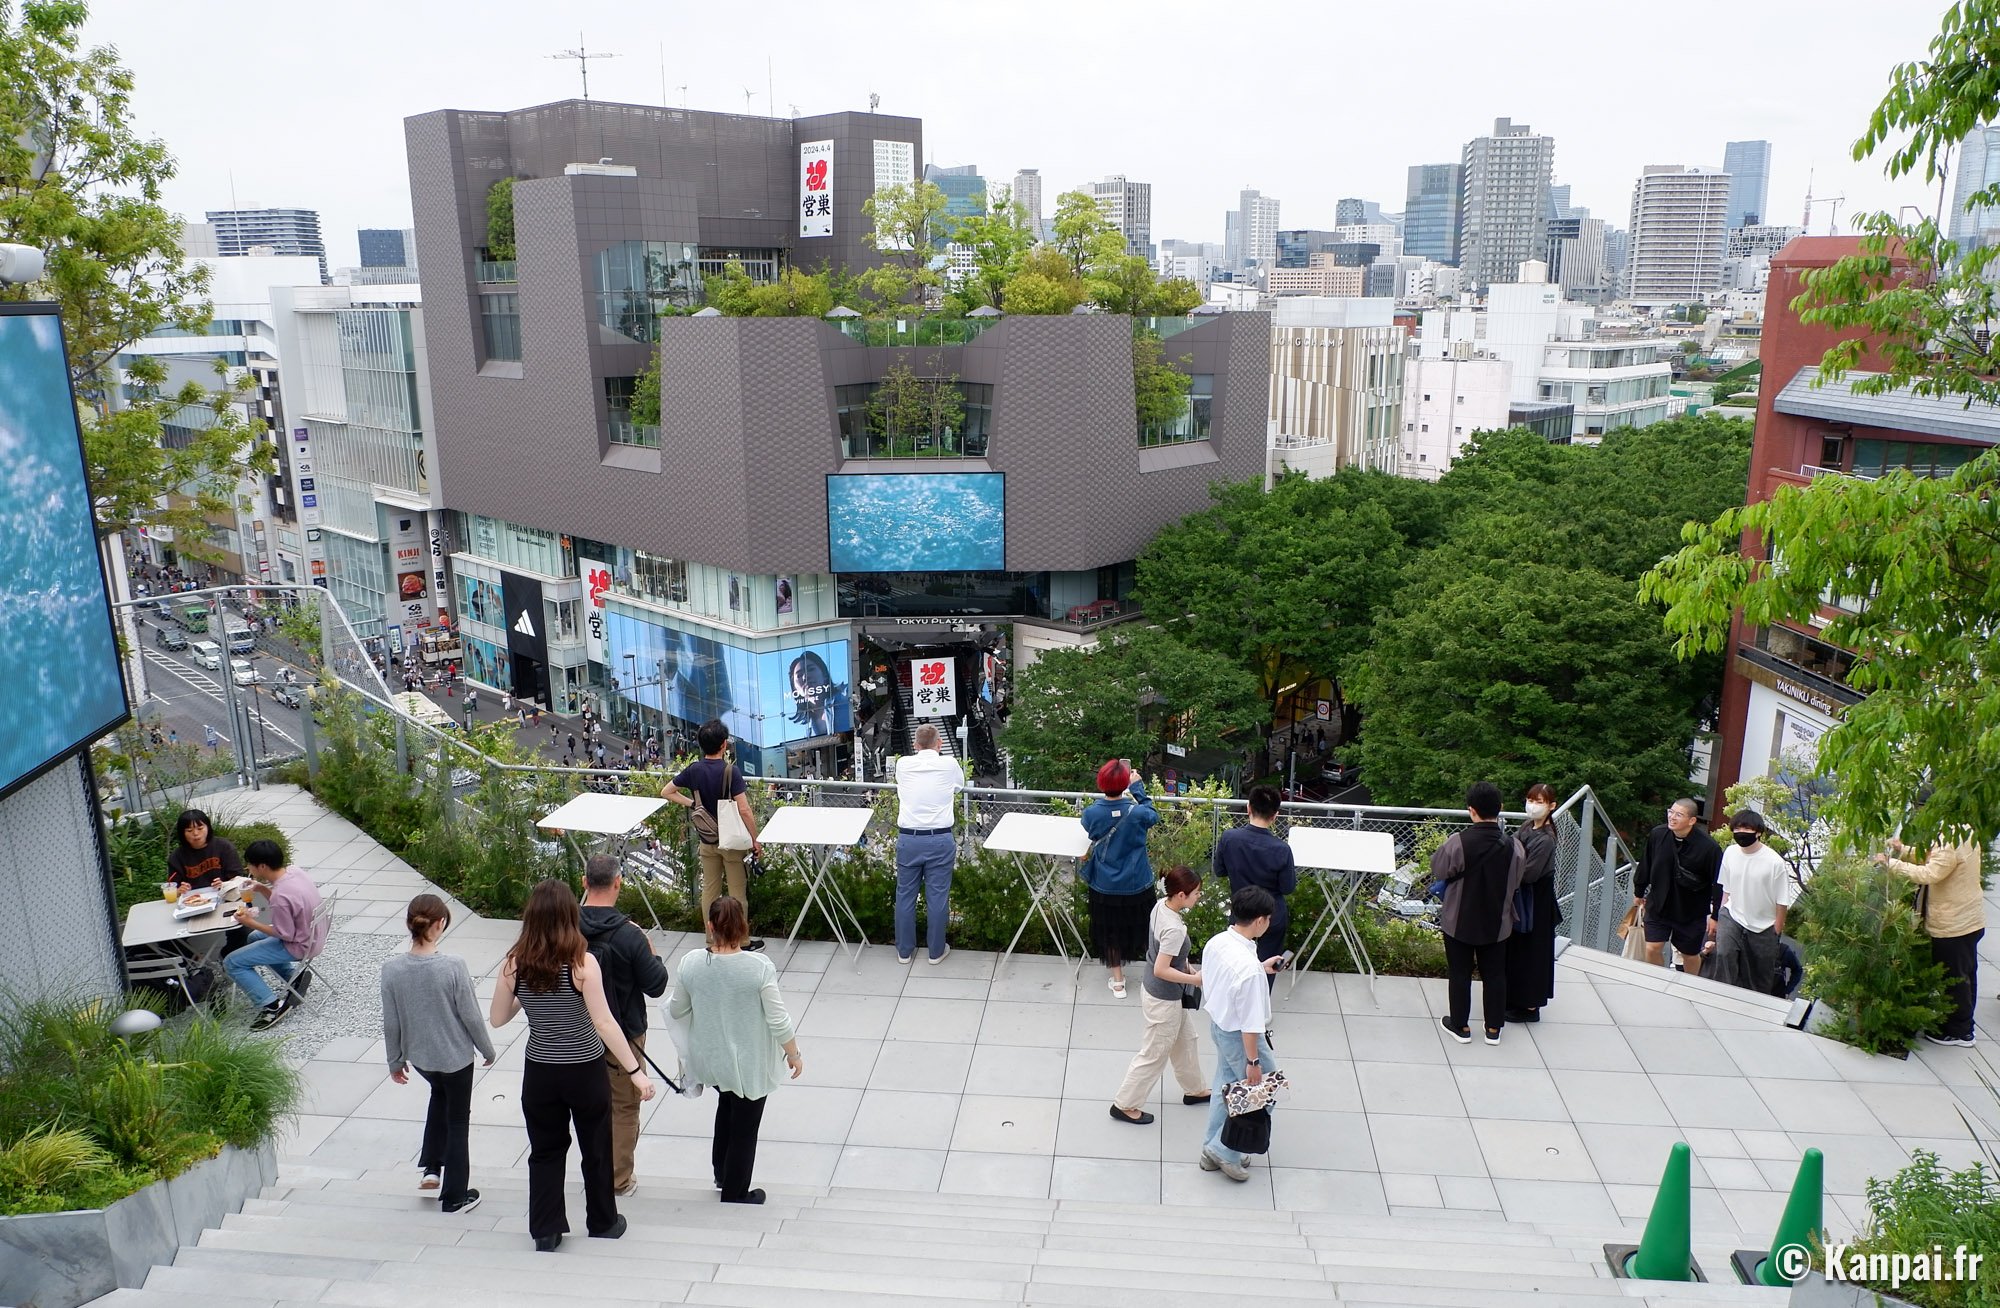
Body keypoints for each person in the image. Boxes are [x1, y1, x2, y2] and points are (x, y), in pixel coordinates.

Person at [489, 880, 653, 1252]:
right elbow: (605, 1023)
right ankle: (602, 1222)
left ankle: (546, 1230)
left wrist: (525, 998)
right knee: (595, 1147)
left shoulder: (515, 963)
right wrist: (635, 1071)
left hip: (540, 1071)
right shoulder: (582, 963)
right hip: (584, 1069)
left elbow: (497, 1018)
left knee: (545, 1150)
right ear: (569, 916)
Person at [668, 895, 803, 1205]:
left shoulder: (691, 963)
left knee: (727, 1106)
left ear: (710, 926)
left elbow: (677, 1010)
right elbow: (778, 1019)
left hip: (713, 1060)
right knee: (745, 1125)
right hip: (749, 1063)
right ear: (744, 927)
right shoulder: (758, 967)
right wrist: (793, 1054)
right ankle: (735, 1191)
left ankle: (721, 1172)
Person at [380, 894, 496, 1213]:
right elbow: (470, 1015)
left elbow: (391, 1021)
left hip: (421, 1059)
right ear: (440, 923)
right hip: (456, 1058)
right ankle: (455, 1195)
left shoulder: (391, 968)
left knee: (438, 1097)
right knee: (459, 1120)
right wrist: (487, 1049)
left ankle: (432, 1168)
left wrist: (395, 1060)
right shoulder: (452, 966)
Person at [578, 854, 670, 1196]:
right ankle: (617, 1179)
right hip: (625, 1033)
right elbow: (656, 985)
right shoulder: (630, 935)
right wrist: (653, 954)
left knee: (586, 1105)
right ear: (618, 883)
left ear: (584, 882)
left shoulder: (565, 927)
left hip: (577, 1030)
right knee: (623, 1107)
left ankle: (592, 1167)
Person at [1110, 865, 1209, 1125]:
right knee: (1153, 1054)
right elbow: (1162, 968)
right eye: (1196, 893)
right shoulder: (1175, 929)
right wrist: (1194, 979)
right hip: (1163, 1000)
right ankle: (1124, 1104)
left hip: (1160, 993)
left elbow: (1165, 958)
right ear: (1180, 895)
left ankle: (1195, 1089)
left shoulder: (1160, 906)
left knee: (1186, 1041)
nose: (1199, 896)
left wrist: (1186, 968)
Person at [1198, 885, 1282, 1181]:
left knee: (1226, 1087)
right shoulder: (1248, 971)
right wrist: (1254, 1062)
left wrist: (1261, 969)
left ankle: (1213, 1147)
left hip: (1219, 1026)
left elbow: (1216, 979)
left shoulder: (1218, 942)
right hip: (1241, 1038)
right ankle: (1226, 1151)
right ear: (1259, 920)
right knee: (1261, 1093)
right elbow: (1251, 1024)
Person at [1432, 782, 1526, 1045]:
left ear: (1471, 810)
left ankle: (1460, 1026)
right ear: (1501, 809)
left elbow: (1439, 870)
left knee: (1459, 973)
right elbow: (1518, 878)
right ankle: (1494, 1029)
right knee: (1495, 974)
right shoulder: (1514, 846)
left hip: (1458, 921)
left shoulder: (1457, 842)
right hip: (1498, 922)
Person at [1876, 829, 1986, 1046]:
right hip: (1968, 918)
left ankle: (1959, 1032)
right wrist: (1904, 850)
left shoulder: (1949, 839)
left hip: (1953, 923)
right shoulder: (1962, 830)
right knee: (1965, 974)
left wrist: (1891, 863)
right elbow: (1937, 858)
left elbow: (1930, 873)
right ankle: (1963, 1025)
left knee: (1954, 978)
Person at [663, 719, 765, 936]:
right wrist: (755, 839)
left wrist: (693, 804)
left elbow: (667, 792)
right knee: (737, 893)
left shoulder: (694, 770)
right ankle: (740, 940)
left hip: (707, 840)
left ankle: (712, 939)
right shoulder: (730, 772)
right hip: (732, 843)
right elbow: (745, 810)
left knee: (710, 890)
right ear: (724, 744)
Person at [224, 838, 327, 1032]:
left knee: (232, 962)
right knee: (254, 937)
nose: (248, 868)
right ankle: (292, 977)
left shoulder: (280, 896)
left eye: (250, 865)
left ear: (262, 866)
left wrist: (249, 922)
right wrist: (262, 888)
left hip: (301, 944)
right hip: (316, 934)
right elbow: (291, 907)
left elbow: (284, 934)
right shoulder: (295, 872)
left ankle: (271, 1006)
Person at [1080, 759, 1160, 998]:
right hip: (1137, 883)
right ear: (1126, 782)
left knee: (1110, 932)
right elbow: (1153, 815)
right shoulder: (1138, 813)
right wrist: (1138, 789)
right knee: (1148, 930)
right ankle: (1156, 976)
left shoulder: (1092, 812)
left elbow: (1089, 829)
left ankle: (1118, 982)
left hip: (1105, 885)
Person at [894, 723, 963, 964]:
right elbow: (959, 785)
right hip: (939, 838)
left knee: (905, 895)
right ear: (939, 743)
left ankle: (904, 951)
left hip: (909, 838)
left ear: (915, 744)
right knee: (937, 897)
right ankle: (935, 951)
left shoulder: (902, 764)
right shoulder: (949, 764)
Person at [1213, 786, 1297, 982]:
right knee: (1269, 964)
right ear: (1275, 815)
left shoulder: (1229, 838)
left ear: (1248, 808)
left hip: (1241, 910)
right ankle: (1261, 1006)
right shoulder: (1282, 849)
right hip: (1271, 914)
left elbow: (1219, 871)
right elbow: (1288, 887)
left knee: (1235, 961)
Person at [1712, 810, 1799, 995]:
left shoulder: (1774, 862)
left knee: (1759, 975)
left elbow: (1782, 902)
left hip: (1763, 924)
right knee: (1724, 953)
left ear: (1758, 832)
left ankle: (1752, 1008)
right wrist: (1721, 914)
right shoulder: (1730, 852)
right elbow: (1726, 888)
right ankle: (1721, 996)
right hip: (1732, 914)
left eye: (1746, 828)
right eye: (1737, 828)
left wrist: (1776, 930)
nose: (1740, 832)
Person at [1634, 798, 1724, 975]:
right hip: (1659, 903)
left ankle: (1690, 986)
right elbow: (1646, 863)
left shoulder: (1709, 848)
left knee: (1689, 955)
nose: (1672, 817)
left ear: (1692, 820)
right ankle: (1658, 980)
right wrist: (1639, 891)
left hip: (1690, 910)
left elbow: (1718, 883)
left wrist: (1715, 916)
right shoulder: (1658, 835)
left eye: (1678, 814)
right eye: (1671, 812)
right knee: (1652, 947)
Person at [1503, 783, 1563, 1023]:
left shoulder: (1546, 839)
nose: (1533, 805)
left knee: (1533, 952)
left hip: (1535, 899)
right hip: (1524, 895)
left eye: (1539, 801)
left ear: (1551, 806)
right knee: (1519, 948)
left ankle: (1529, 1006)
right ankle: (1516, 998)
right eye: (1530, 799)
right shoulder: (1528, 826)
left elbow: (1528, 873)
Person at [167, 808, 244, 890]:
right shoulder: (176, 856)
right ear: (182, 833)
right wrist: (179, 890)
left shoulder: (224, 847)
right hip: (191, 899)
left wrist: (225, 884)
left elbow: (237, 878)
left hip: (223, 894)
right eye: (189, 831)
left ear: (208, 827)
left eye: (200, 829)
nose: (195, 834)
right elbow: (171, 886)